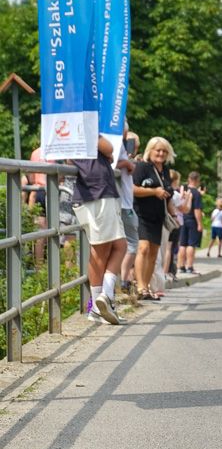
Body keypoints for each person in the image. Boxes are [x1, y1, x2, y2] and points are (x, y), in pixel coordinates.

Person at [68, 136, 128, 324]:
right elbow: (109, 149)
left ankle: (101, 301)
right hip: (99, 192)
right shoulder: (86, 124)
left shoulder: (68, 129)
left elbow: (71, 160)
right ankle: (100, 301)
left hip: (89, 192)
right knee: (104, 249)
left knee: (116, 245)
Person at [132, 137, 178, 301]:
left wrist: (173, 216)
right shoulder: (142, 167)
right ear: (150, 151)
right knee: (143, 249)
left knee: (153, 253)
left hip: (158, 215)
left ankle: (147, 287)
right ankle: (140, 287)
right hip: (142, 214)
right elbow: (133, 189)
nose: (161, 153)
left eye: (164, 151)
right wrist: (154, 192)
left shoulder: (165, 170)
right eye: (158, 150)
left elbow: (167, 195)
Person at [116, 121, 139, 293]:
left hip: (122, 201)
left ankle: (119, 283)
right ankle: (123, 281)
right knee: (130, 242)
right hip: (122, 202)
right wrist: (127, 163)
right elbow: (112, 163)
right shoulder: (115, 144)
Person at [177, 172, 204, 274]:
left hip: (183, 219)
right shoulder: (196, 194)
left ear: (188, 179)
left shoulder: (183, 191)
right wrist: (200, 224)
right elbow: (197, 210)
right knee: (191, 244)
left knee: (183, 244)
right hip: (192, 220)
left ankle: (181, 266)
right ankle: (190, 266)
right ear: (197, 180)